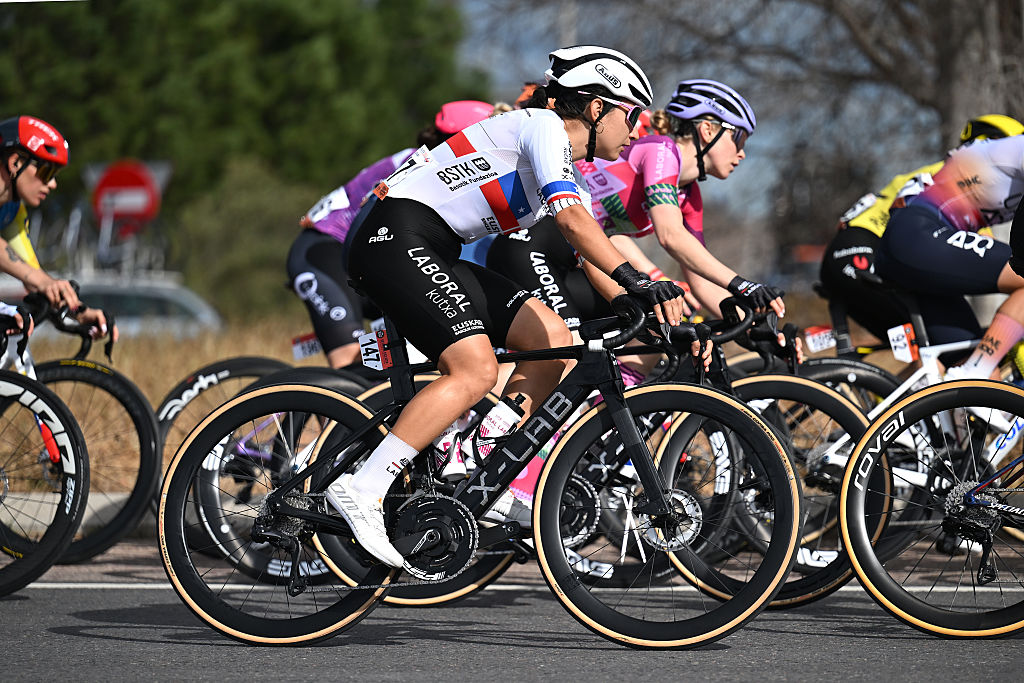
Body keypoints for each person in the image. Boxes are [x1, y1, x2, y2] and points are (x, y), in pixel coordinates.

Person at [326, 45, 704, 568]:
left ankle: (485, 457)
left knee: (551, 341)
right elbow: (573, 225)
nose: (636, 127)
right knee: (476, 368)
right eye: (631, 112)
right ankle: (364, 487)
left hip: (432, 246)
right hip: (394, 236)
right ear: (596, 108)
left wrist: (633, 297)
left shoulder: (561, 157)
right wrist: (635, 280)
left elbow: (584, 245)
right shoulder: (544, 129)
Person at [486, 78, 783, 366]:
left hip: (580, 261)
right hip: (535, 246)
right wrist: (744, 285)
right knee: (563, 356)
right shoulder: (661, 152)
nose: (743, 153)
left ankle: (611, 408)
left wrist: (750, 322)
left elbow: (699, 278)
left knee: (658, 326)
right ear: (707, 130)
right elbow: (670, 236)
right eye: (739, 138)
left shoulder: (689, 195)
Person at [286, 100, 494, 368]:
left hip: (366, 257)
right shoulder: (419, 162)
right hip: (324, 252)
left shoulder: (437, 164)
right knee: (349, 362)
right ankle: (320, 404)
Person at [820, 114, 1024, 345]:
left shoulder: (944, 169)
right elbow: (980, 245)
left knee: (932, 353)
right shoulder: (963, 173)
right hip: (869, 246)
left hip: (849, 249)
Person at [874, 130, 1024, 383]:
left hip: (917, 243)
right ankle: (978, 366)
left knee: (988, 390)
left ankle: (875, 418)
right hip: (918, 233)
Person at [0, 115, 114, 339]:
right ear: (15, 163)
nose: (52, 184)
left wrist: (78, 311)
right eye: (47, 172)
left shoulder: (11, 209)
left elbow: (32, 273)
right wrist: (40, 281)